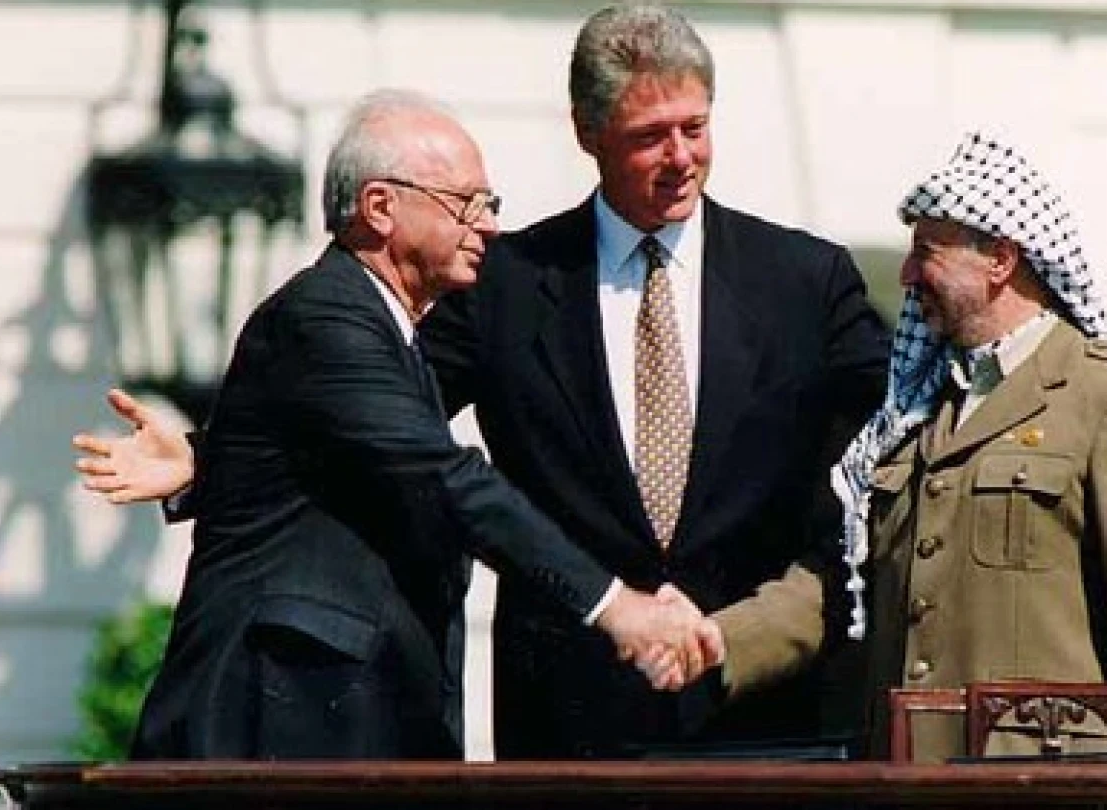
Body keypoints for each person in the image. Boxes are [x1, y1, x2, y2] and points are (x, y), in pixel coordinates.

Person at [76, 4, 1107, 760]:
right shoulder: (507, 280)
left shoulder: (807, 277)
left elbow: (917, 406)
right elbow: (387, 436)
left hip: (764, 716)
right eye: (649, 137)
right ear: (591, 136)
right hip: (569, 726)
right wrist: (213, 458)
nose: (679, 156)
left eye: (695, 128)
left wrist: (1101, 417)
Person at [109, 89, 712, 760]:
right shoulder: (325, 318)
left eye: (491, 205)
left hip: (359, 728)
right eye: (466, 204)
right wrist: (615, 607)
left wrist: (204, 461)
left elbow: (324, 464)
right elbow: (442, 477)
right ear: (380, 208)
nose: (487, 226)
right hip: (282, 730)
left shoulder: (395, 338)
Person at [703, 131, 1107, 763]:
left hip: (1047, 788)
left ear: (1000, 260)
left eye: (927, 253)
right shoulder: (910, 412)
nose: (907, 274)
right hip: (901, 782)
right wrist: (712, 642)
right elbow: (844, 582)